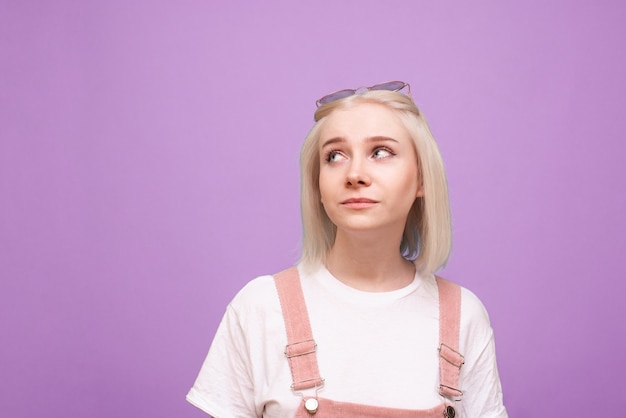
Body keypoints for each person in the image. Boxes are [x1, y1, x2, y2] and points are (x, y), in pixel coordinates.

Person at [187, 81, 508, 417]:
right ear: (318, 185)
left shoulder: (463, 317)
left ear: (422, 179)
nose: (355, 174)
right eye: (334, 156)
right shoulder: (260, 308)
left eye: (381, 151)